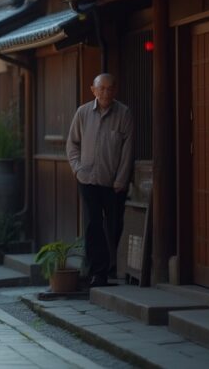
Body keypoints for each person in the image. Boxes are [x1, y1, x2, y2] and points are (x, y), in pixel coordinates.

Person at [65, 73, 133, 288]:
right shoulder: (83, 113)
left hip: (114, 183)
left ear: (115, 90)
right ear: (93, 90)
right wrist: (77, 169)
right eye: (101, 88)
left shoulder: (124, 113)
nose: (106, 92)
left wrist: (121, 179)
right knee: (93, 225)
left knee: (113, 226)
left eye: (110, 88)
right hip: (87, 180)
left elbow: (128, 150)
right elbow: (72, 144)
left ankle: (110, 267)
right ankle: (98, 273)